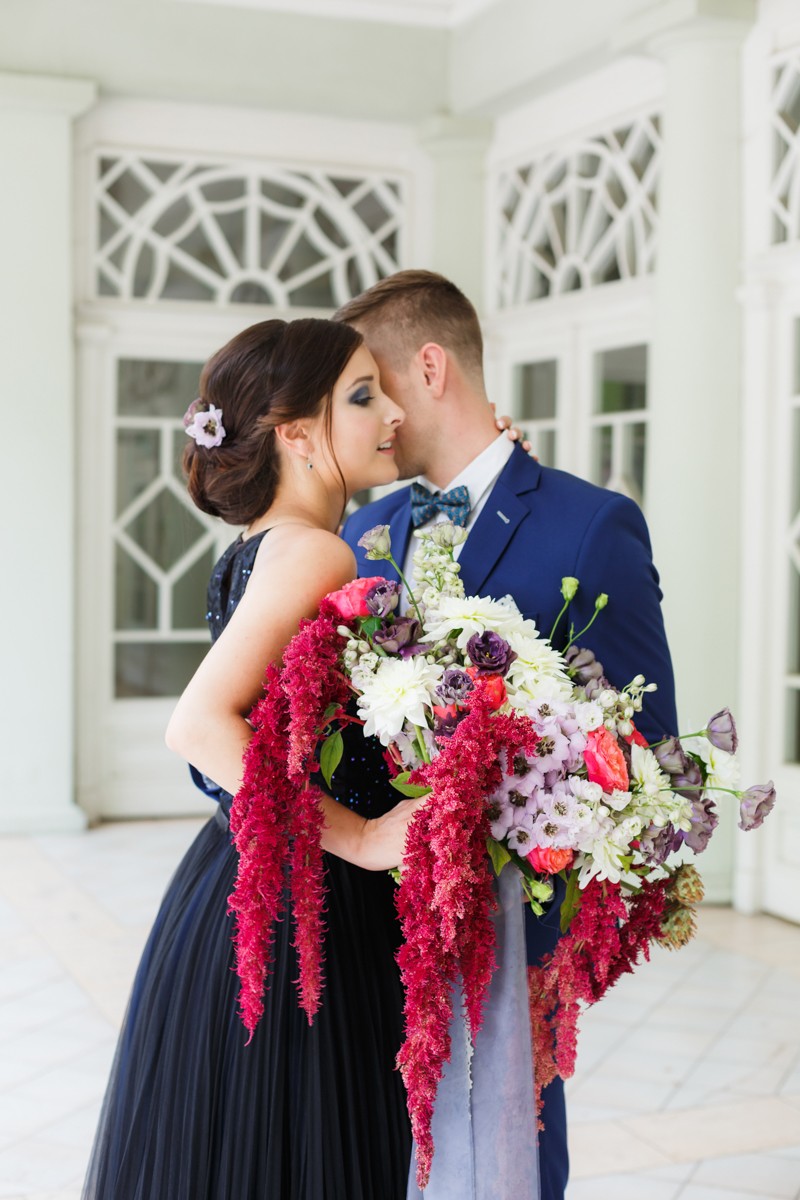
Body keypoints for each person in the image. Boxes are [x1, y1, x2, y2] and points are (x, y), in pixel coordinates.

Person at [336, 270, 678, 1200]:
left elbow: (646, 749)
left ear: (430, 367)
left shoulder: (589, 525)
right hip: (364, 922)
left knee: (507, 1160)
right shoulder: (363, 528)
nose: (367, 420)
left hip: (505, 934)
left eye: (371, 390)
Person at [83, 318, 425, 1200]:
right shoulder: (314, 550)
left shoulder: (256, 548)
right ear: (297, 434)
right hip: (298, 903)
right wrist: (356, 838)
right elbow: (198, 726)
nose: (390, 410)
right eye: (361, 395)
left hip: (239, 881)